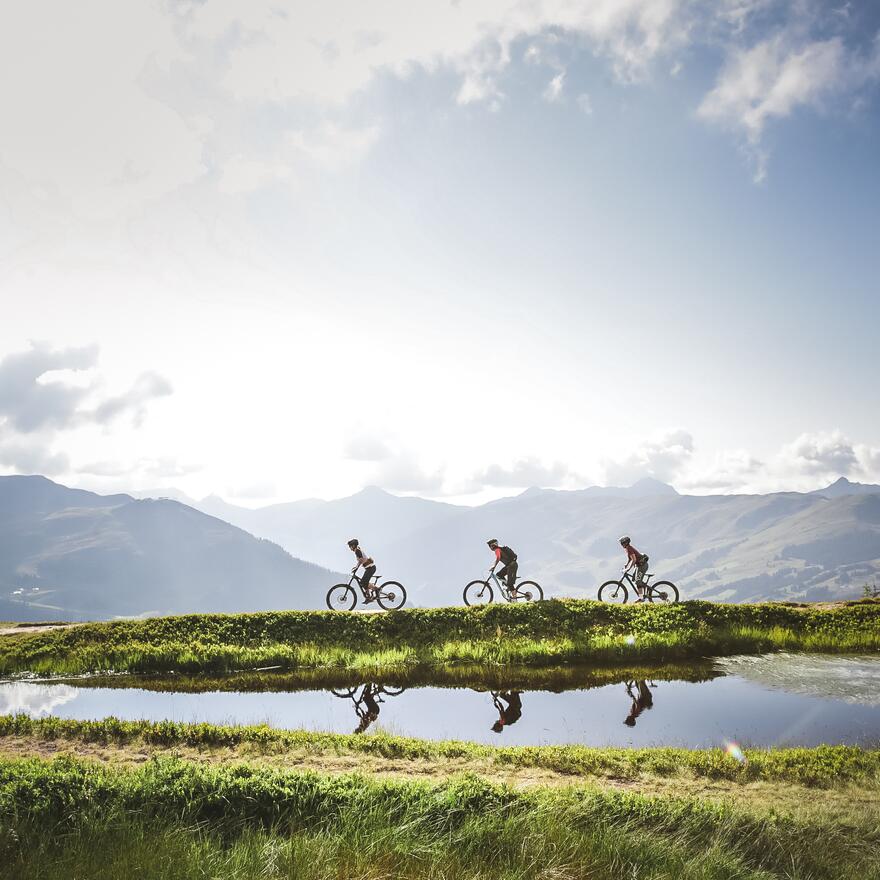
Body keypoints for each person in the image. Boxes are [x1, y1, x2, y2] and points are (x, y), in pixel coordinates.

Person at [619, 536, 649, 600]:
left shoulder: (629, 548)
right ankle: (643, 589)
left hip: (642, 566)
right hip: (639, 565)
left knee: (638, 582)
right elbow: (630, 558)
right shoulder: (628, 548)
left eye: (622, 543)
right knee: (634, 579)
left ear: (625, 543)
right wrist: (627, 565)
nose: (621, 545)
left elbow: (634, 560)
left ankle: (641, 598)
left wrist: (628, 569)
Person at [348, 538, 377, 602]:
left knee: (363, 582)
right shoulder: (357, 550)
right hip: (369, 568)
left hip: (370, 568)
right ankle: (368, 597)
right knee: (363, 583)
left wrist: (356, 567)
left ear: (353, 546)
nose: (350, 548)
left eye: (350, 546)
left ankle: (376, 589)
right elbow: (361, 560)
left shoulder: (357, 551)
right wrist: (356, 567)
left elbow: (361, 560)